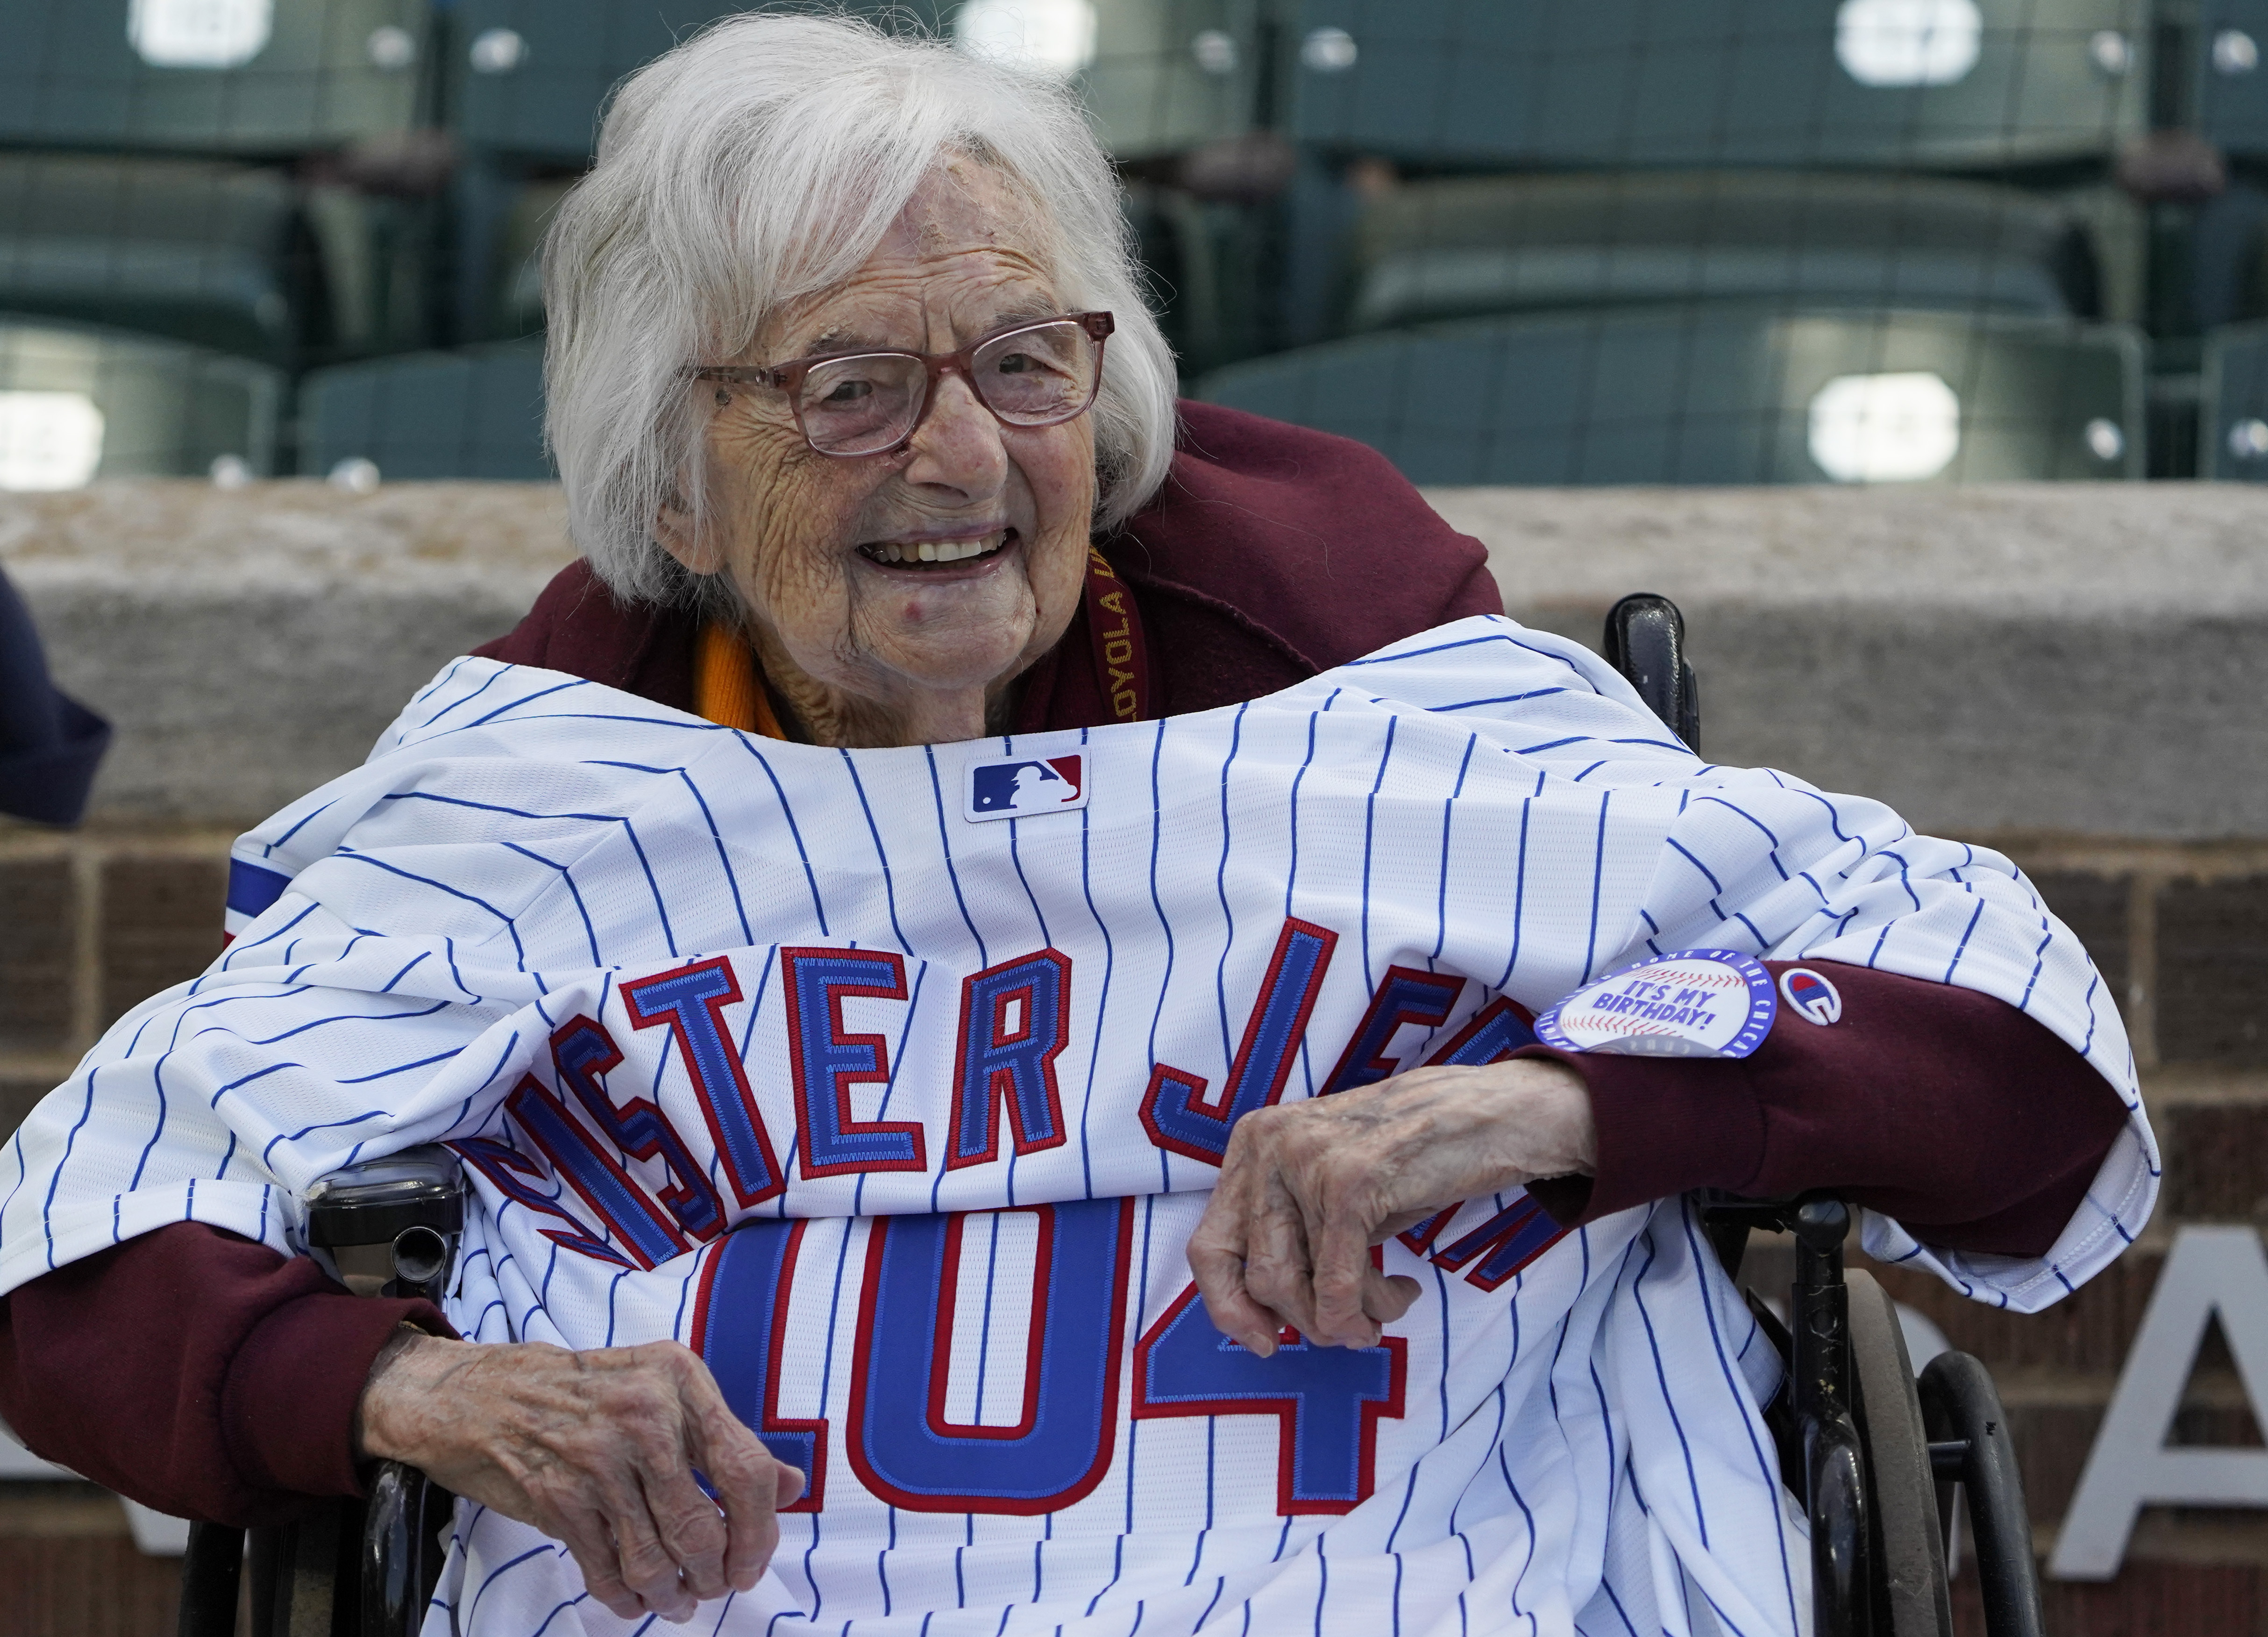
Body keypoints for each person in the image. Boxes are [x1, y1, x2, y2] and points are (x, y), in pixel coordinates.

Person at [0, 17, 2149, 1636]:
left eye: (1023, 364)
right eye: (847, 385)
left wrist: (1574, 1099)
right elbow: (73, 1248)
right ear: (666, 483)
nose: (957, 453)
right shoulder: (527, 803)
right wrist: (403, 1392)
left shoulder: (1406, 723)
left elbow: (2023, 1066)